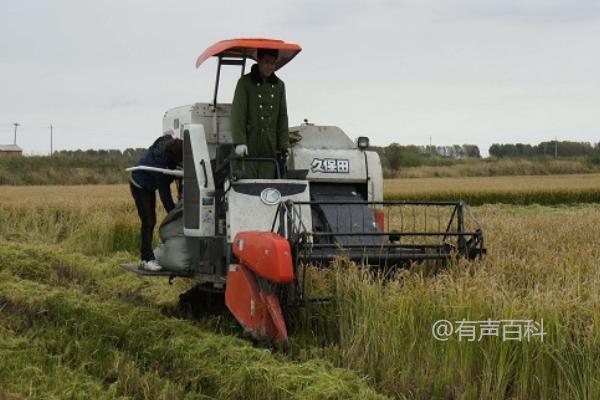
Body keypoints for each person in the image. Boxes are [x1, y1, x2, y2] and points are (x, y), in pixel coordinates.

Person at [231, 48, 290, 178]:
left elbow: (282, 116)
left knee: (268, 186)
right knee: (247, 183)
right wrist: (240, 141)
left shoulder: (279, 85)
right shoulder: (245, 83)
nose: (270, 66)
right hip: (249, 143)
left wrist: (284, 145)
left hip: (270, 145)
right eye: (266, 62)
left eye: (273, 63)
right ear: (259, 61)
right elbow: (238, 112)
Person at [130, 133, 183, 271]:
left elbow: (167, 134)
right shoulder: (159, 167)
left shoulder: (168, 142)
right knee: (149, 221)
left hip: (149, 181)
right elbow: (165, 196)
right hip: (140, 184)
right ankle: (146, 259)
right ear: (173, 158)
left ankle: (146, 257)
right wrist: (176, 217)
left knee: (150, 221)